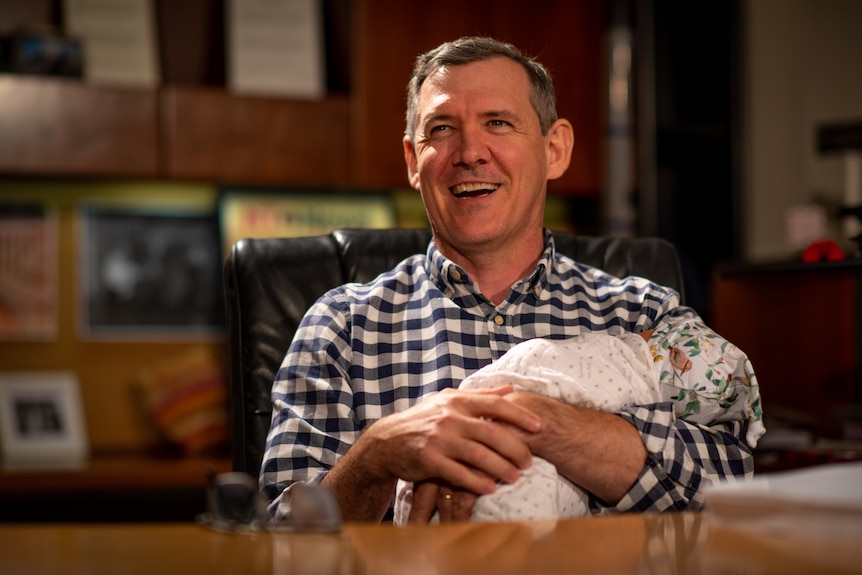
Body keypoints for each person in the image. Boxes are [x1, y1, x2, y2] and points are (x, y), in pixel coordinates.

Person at [260, 36, 757, 524]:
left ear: (555, 149)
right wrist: (375, 456)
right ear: (414, 161)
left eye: (498, 122)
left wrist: (543, 421)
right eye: (442, 128)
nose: (470, 152)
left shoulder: (645, 318)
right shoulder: (340, 327)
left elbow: (738, 491)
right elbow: (281, 538)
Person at [393, 318, 765, 523]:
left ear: (554, 169)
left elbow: (729, 488)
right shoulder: (341, 324)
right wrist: (381, 450)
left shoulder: (651, 307)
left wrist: (525, 415)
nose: (472, 169)